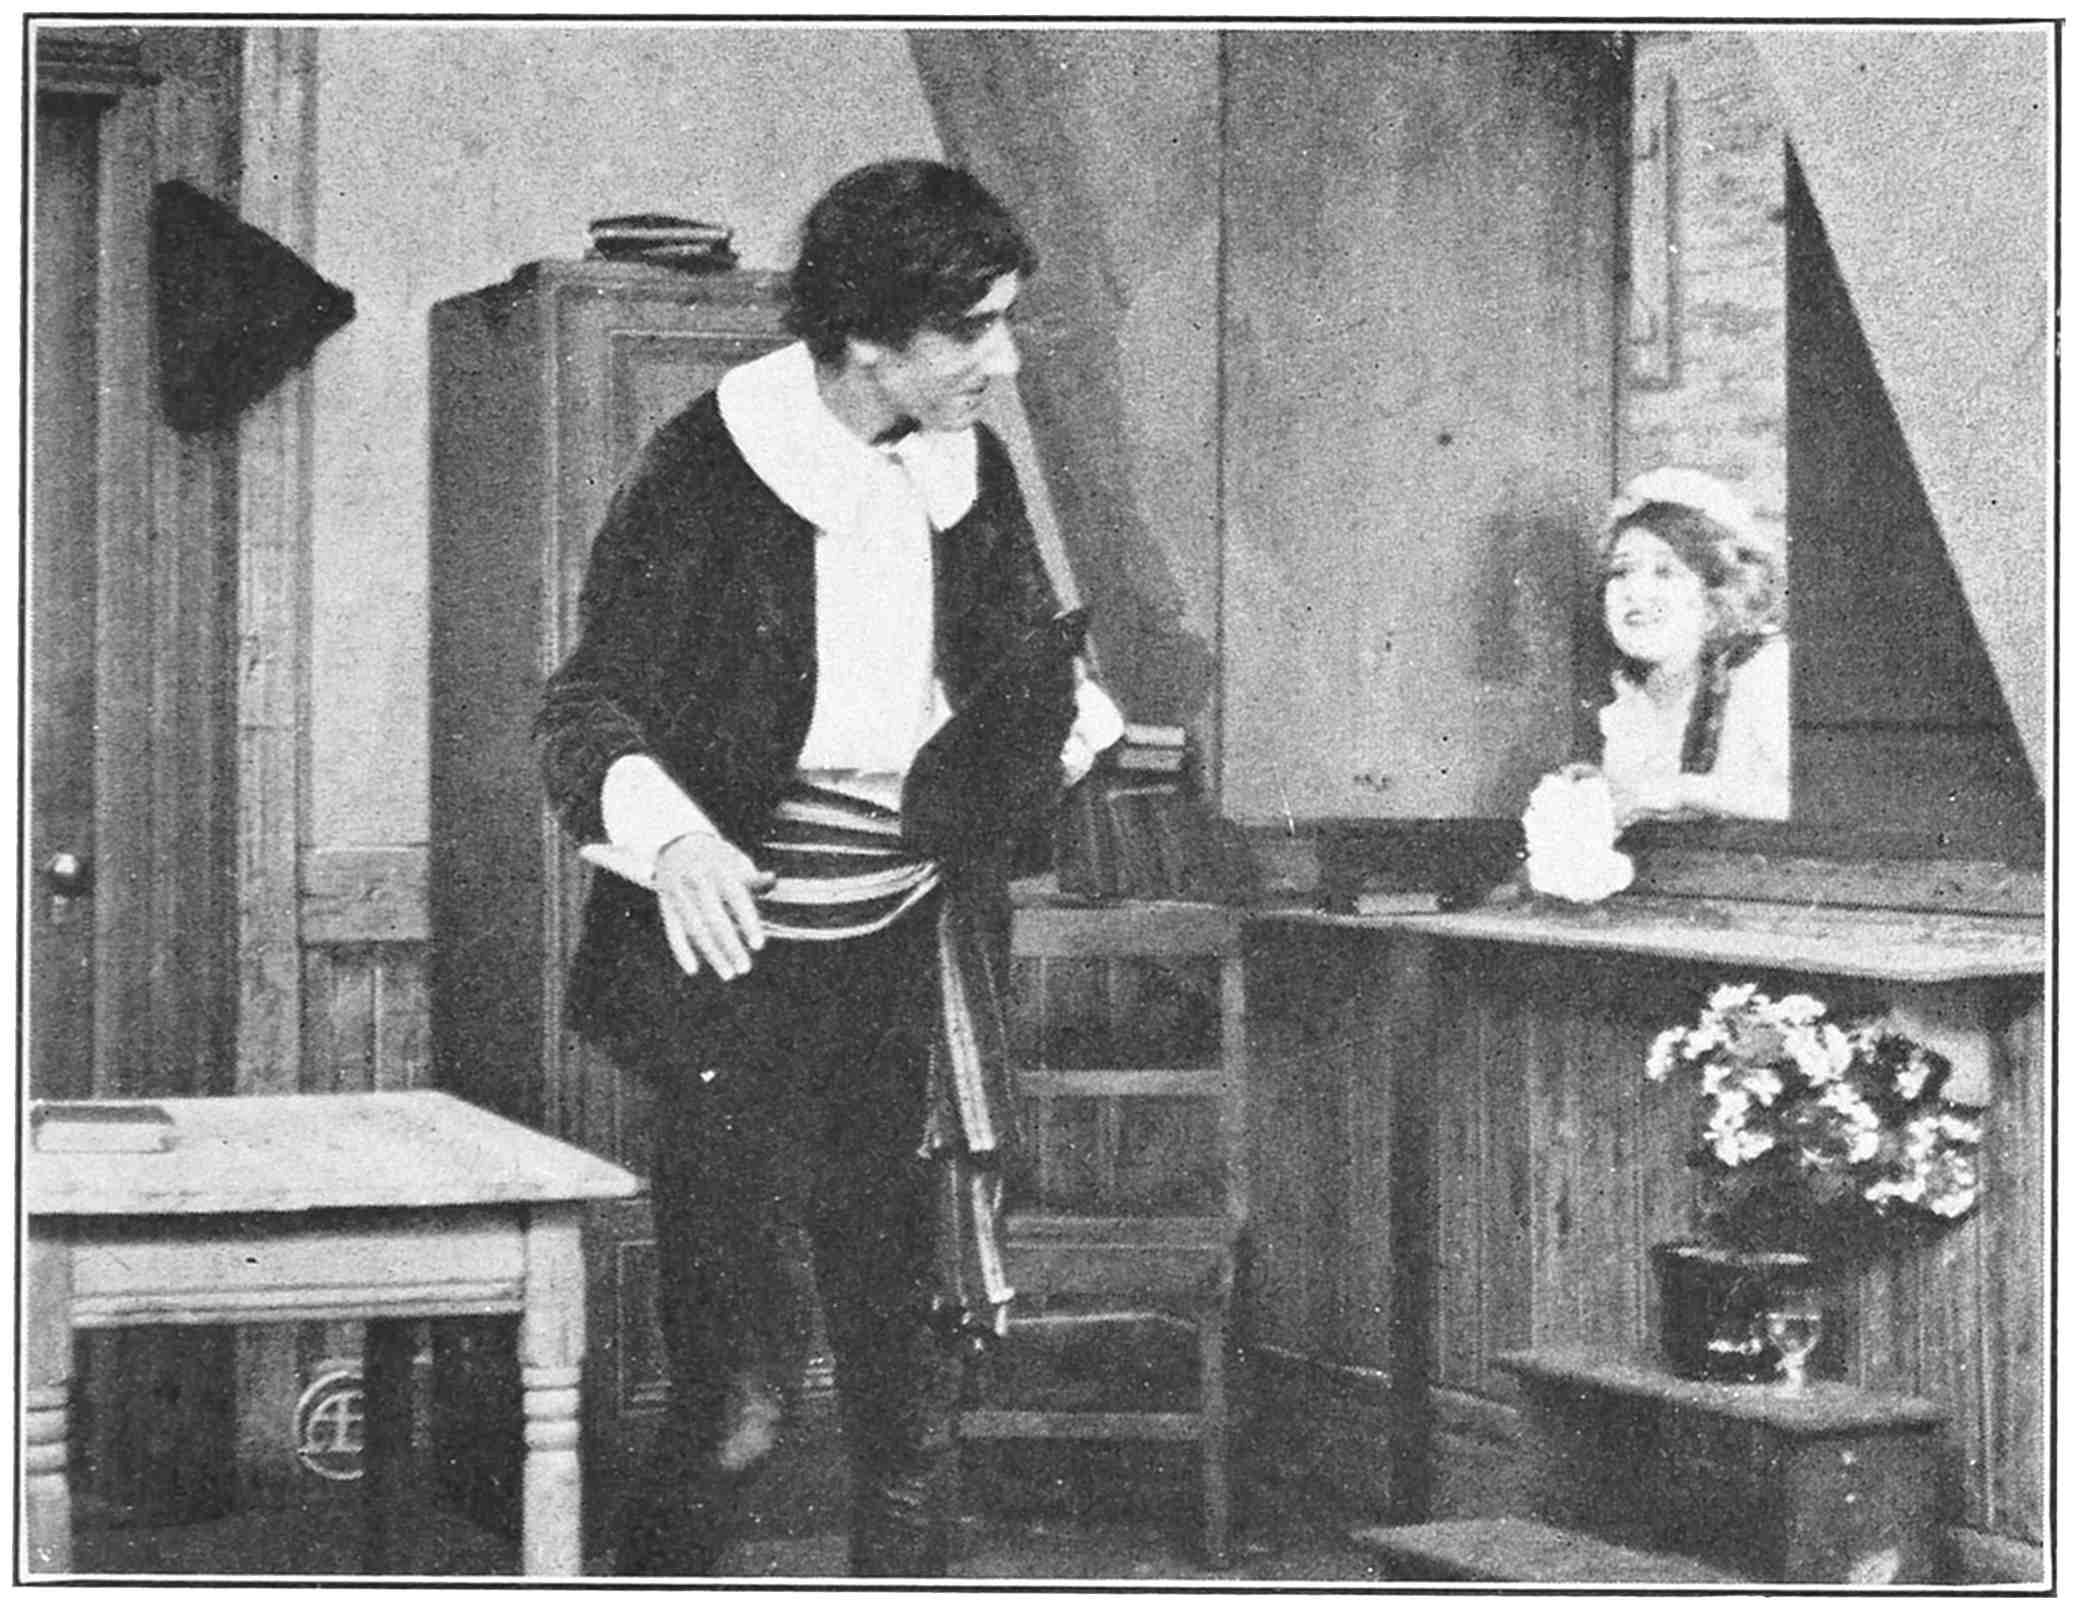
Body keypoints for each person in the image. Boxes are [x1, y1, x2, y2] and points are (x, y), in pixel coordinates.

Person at [536, 158, 1122, 1578]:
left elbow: (1023, 677)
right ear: (864, 333)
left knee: (907, 1383)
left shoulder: (965, 463)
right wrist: (674, 836)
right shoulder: (709, 462)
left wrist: (1053, 728)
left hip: (906, 970)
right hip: (738, 982)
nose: (1002, 357)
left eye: (1005, 319)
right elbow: (587, 703)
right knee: (737, 1395)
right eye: (971, 327)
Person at [1591, 466, 1790, 825]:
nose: (1635, 591)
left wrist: (1684, 791)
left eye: (1664, 572)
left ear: (1717, 596)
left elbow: (1826, 800)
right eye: (1621, 572)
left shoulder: (1765, 671)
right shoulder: (1631, 697)